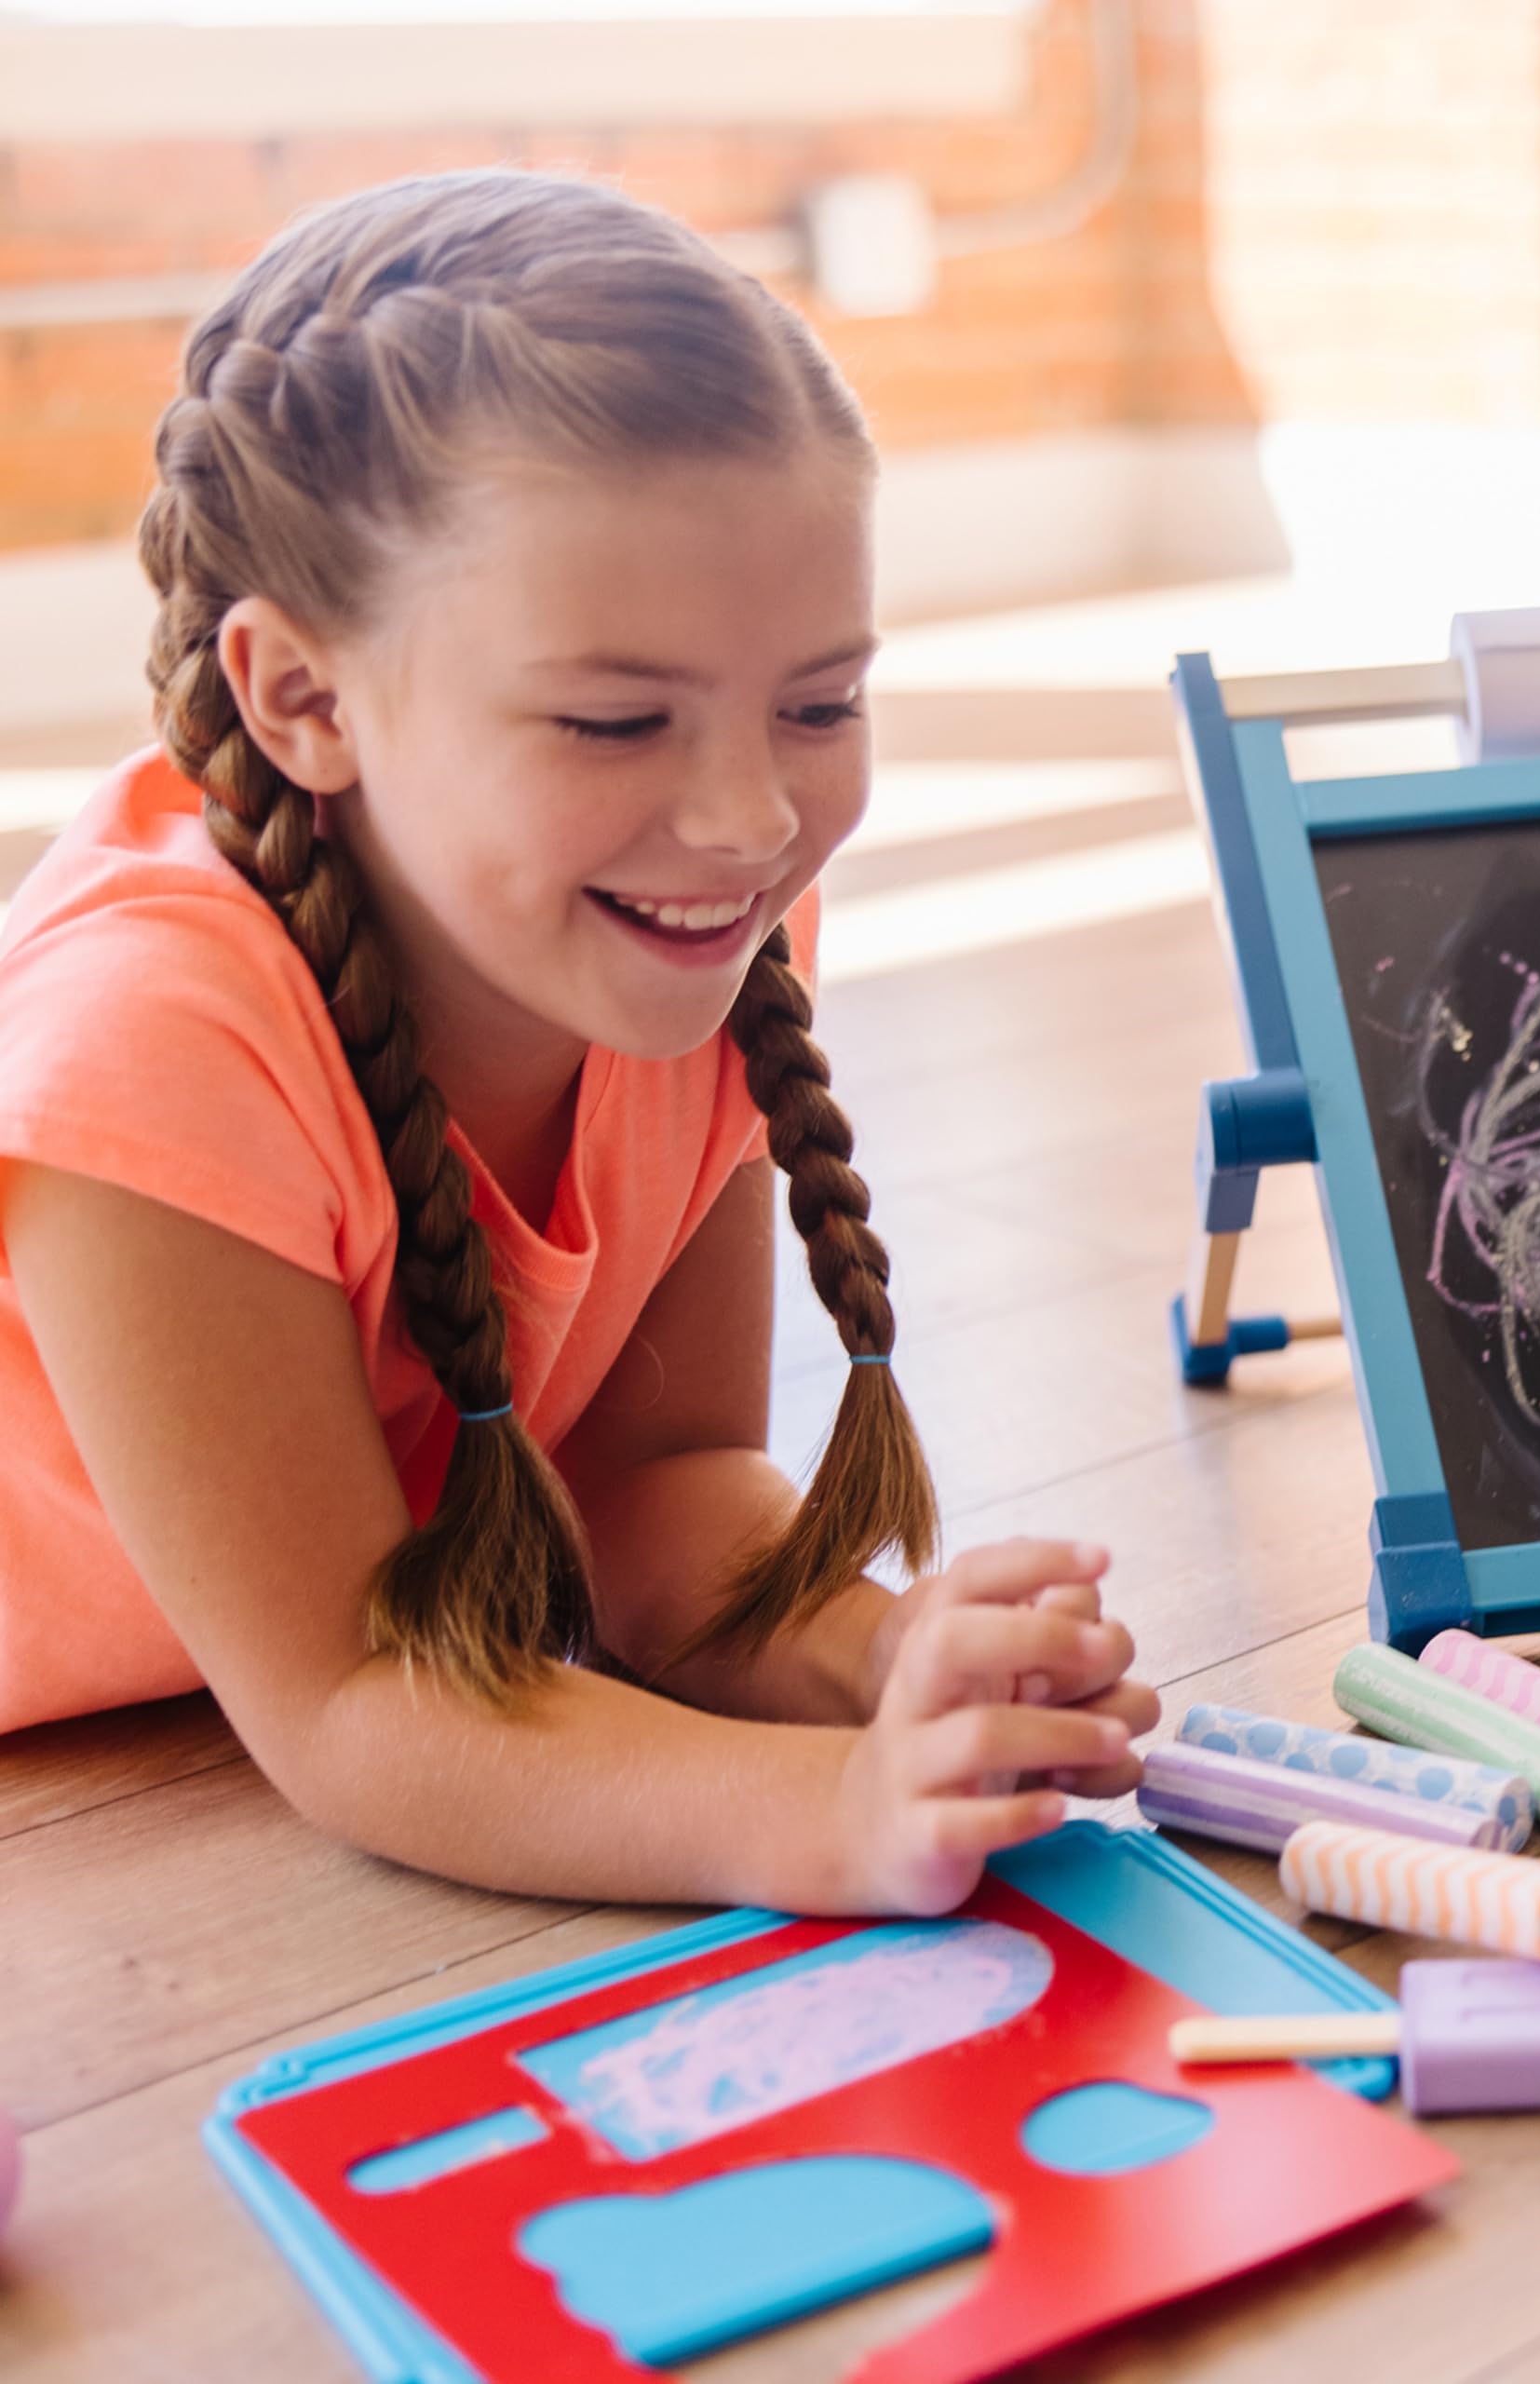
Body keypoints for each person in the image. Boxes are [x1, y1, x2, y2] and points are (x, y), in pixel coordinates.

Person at [0, 169, 1157, 1916]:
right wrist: (833, 1817)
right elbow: (350, 1695)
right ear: (303, 699)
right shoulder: (147, 1041)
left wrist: (891, 1667)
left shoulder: (687, 932)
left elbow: (654, 1487)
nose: (749, 814)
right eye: (618, 719)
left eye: (822, 702)